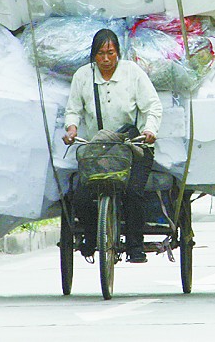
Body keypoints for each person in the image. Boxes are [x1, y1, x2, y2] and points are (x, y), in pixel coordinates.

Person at [63, 28, 162, 263]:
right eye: (100, 54)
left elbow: (153, 106)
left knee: (134, 192)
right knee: (81, 198)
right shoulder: (82, 76)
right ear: (93, 56)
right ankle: (91, 237)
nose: (106, 59)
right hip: (98, 149)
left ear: (118, 53)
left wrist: (150, 130)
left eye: (110, 53)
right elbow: (73, 110)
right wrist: (71, 128)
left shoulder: (133, 73)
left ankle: (135, 246)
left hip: (132, 146)